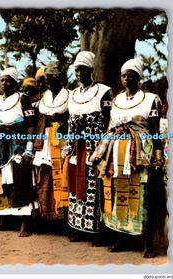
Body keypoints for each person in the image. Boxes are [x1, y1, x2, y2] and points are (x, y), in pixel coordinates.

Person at [90, 58, 165, 258]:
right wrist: (101, 152)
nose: (127, 78)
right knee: (116, 190)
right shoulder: (117, 100)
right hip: (117, 153)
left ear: (139, 77)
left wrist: (158, 154)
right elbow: (110, 127)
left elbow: (156, 129)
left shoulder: (151, 99)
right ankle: (121, 237)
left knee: (143, 193)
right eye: (124, 75)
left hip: (141, 154)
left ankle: (147, 242)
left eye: (131, 75)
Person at [65, 51, 112, 241]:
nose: (79, 74)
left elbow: (109, 120)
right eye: (77, 70)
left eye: (83, 70)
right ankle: (78, 227)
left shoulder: (103, 90)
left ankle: (98, 230)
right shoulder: (73, 93)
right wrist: (69, 145)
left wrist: (103, 146)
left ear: (91, 70)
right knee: (77, 184)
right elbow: (70, 121)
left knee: (95, 184)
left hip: (96, 144)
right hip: (77, 144)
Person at [0, 67, 36, 237]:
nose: (4, 83)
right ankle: (3, 220)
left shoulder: (23, 99)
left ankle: (25, 223)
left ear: (15, 83)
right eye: (1, 80)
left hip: (17, 146)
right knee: (0, 181)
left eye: (8, 80)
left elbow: (30, 125)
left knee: (19, 180)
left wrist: (29, 147)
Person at [32, 63, 70, 228]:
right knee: (44, 175)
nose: (48, 82)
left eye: (52, 79)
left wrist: (61, 120)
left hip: (61, 139)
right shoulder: (44, 97)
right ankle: (47, 216)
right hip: (45, 140)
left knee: (61, 176)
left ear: (60, 78)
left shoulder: (69, 95)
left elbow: (71, 118)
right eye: (46, 79)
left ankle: (63, 218)